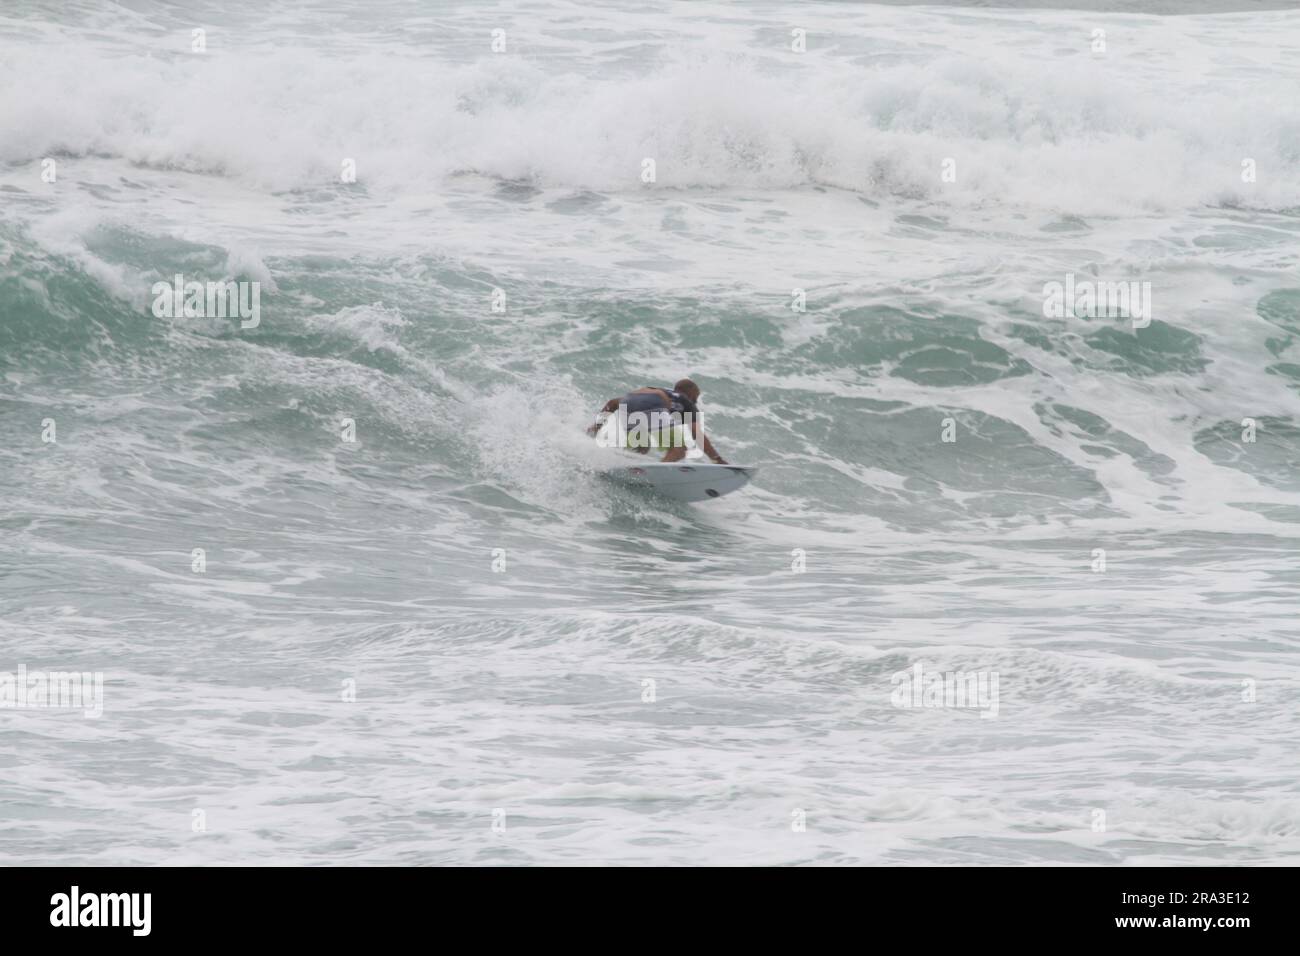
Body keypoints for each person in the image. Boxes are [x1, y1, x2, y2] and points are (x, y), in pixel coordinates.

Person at [588, 378, 727, 464]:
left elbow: (612, 403)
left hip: (628, 401)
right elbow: (697, 434)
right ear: (690, 394)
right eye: (695, 398)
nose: (695, 402)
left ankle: (626, 468)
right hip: (653, 403)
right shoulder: (684, 400)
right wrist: (716, 459)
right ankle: (659, 471)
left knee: (641, 447)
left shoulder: (660, 391)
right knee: (678, 449)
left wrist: (595, 427)